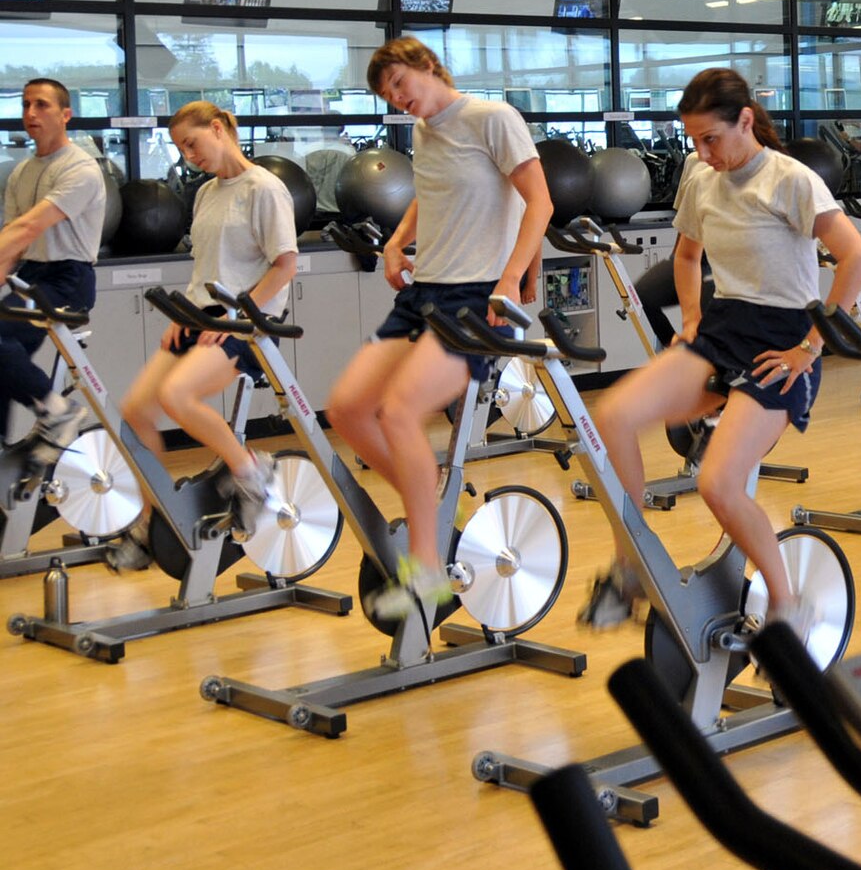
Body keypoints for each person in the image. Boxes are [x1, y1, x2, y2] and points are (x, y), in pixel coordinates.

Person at [580, 67, 861, 634]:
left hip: (783, 342)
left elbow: (856, 259)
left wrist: (811, 348)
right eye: (693, 140)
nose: (702, 151)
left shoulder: (791, 180)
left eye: (710, 138)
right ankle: (630, 568)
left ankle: (787, 606)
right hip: (723, 330)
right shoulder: (701, 178)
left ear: (745, 120)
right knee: (609, 417)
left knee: (717, 484)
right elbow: (686, 259)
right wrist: (690, 319)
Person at [324, 38, 552, 618]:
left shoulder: (492, 118)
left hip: (475, 295)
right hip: (426, 289)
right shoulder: (426, 131)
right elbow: (430, 194)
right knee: (347, 409)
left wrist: (510, 279)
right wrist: (398, 243)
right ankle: (425, 503)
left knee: (399, 410)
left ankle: (426, 568)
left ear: (427, 66)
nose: (398, 100)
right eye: (386, 95)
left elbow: (540, 203)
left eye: (401, 84)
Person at [116, 103, 296, 553]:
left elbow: (286, 264)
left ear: (218, 129)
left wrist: (238, 317)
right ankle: (151, 516)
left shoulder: (265, 188)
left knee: (176, 395)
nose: (188, 155)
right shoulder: (205, 193)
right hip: (200, 316)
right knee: (135, 410)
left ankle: (251, 472)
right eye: (180, 148)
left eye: (191, 143)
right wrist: (183, 315)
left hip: (247, 322)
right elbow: (206, 267)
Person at [0, 78, 106, 461]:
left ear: (65, 115)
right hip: (30, 275)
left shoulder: (80, 169)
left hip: (68, 279)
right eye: (26, 104)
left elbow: (30, 227)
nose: (30, 113)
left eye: (41, 105)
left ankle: (58, 413)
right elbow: (12, 241)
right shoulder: (21, 173)